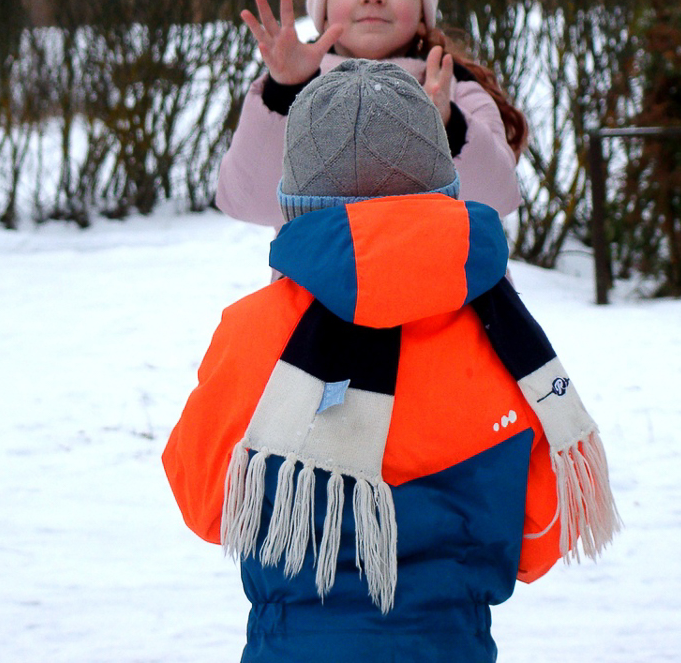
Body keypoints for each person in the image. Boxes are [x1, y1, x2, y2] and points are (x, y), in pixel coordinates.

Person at [164, 61, 618, 663]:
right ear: (445, 196)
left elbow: (206, 502)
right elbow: (540, 536)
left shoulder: (254, 330)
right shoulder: (503, 337)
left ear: (297, 212)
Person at [215, 0, 526, 240]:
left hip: (442, 273)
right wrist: (284, 93)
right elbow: (249, 203)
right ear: (323, 13)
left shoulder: (454, 86)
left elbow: (496, 199)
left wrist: (446, 124)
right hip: (324, 274)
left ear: (423, 14)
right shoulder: (298, 86)